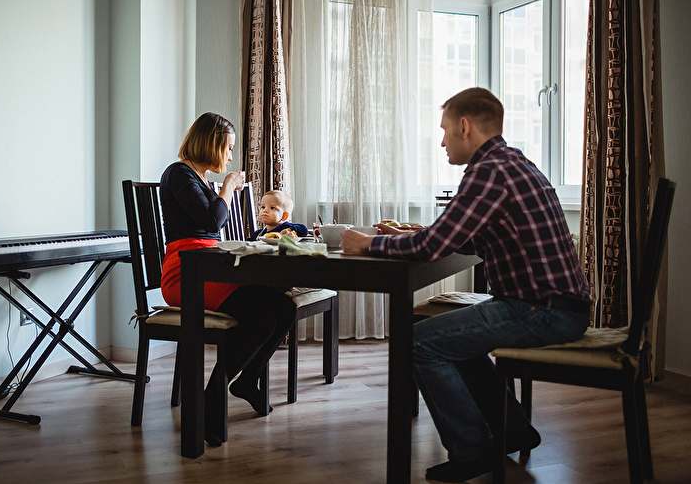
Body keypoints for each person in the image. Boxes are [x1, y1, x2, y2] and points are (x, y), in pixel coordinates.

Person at [341, 87, 591, 483]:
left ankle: (472, 450)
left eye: (444, 131)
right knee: (450, 339)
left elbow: (433, 247)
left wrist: (368, 244)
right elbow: (463, 238)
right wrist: (412, 235)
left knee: (417, 341)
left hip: (541, 310)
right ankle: (512, 429)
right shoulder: (512, 162)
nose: (442, 142)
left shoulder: (488, 171)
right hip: (554, 306)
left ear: (464, 126)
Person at [159, 112, 296, 447]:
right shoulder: (179, 174)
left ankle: (247, 380)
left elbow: (212, 227)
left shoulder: (200, 178)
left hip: (211, 267)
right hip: (187, 274)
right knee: (260, 316)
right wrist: (228, 188)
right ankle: (212, 399)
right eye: (229, 148)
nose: (230, 156)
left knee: (284, 308)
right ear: (212, 143)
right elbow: (212, 221)